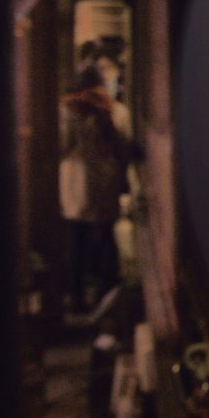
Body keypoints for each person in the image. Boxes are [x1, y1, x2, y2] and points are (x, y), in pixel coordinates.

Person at [59, 66, 131, 313]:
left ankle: (90, 299)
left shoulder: (77, 111)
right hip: (91, 188)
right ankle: (94, 298)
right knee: (93, 243)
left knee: (89, 245)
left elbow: (63, 145)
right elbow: (122, 148)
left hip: (88, 189)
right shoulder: (110, 111)